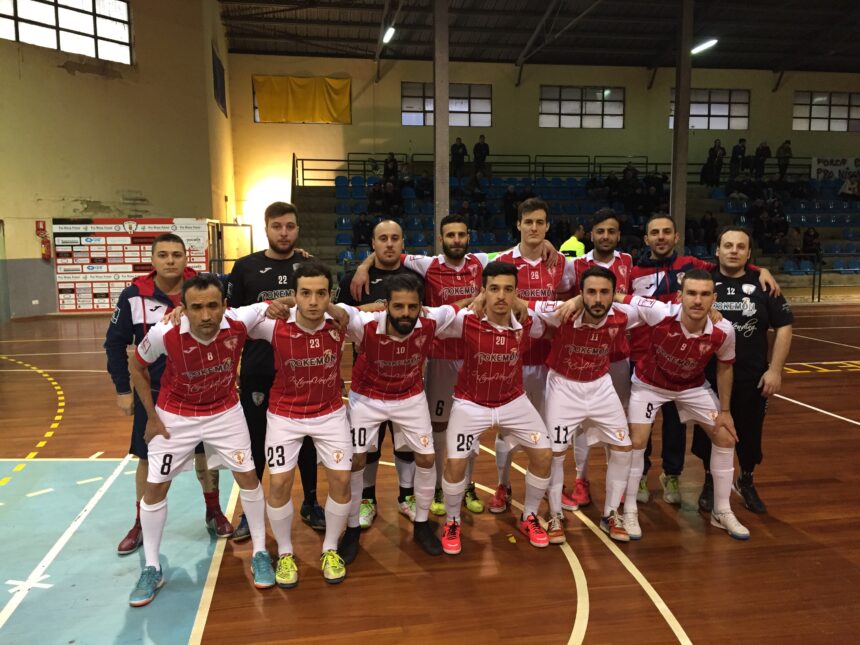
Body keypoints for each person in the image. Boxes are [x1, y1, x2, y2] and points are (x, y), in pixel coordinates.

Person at [127, 274, 276, 606]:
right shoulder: (164, 332)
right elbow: (136, 366)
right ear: (183, 308)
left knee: (249, 479)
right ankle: (151, 567)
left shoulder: (239, 320)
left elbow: (281, 304)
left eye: (213, 306)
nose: (206, 315)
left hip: (225, 413)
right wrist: (151, 416)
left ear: (225, 305)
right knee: (155, 487)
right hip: (175, 416)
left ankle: (260, 553)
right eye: (196, 308)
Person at [630, 214, 778, 507]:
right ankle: (641, 475)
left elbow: (729, 265)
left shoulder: (692, 265)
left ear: (676, 237)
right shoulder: (633, 271)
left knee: (675, 425)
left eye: (667, 232)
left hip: (682, 360)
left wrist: (760, 269)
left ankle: (672, 474)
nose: (661, 237)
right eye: (655, 233)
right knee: (640, 427)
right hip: (644, 358)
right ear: (646, 239)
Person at [105, 233, 231, 557]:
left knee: (206, 456)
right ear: (153, 260)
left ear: (187, 257)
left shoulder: (203, 288)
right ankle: (140, 522)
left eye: (177, 254)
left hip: (201, 390)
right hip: (154, 393)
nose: (171, 260)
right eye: (163, 255)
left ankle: (213, 510)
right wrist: (123, 389)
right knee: (147, 459)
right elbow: (114, 343)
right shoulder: (133, 295)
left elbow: (246, 283)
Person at [336, 273, 468, 562]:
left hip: (409, 397)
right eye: (398, 306)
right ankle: (352, 529)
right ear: (386, 306)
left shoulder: (431, 320)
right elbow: (337, 311)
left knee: (426, 458)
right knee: (355, 460)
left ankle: (421, 524)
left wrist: (483, 297)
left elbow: (459, 306)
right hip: (367, 398)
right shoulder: (366, 324)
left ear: (421, 306)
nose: (406, 313)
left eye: (412, 306)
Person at [619, 269, 749, 540]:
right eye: (691, 293)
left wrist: (725, 412)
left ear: (714, 299)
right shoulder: (659, 311)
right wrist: (578, 299)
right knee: (637, 441)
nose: (698, 301)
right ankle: (629, 509)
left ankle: (721, 511)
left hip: (692, 387)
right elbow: (621, 297)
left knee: (725, 437)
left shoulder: (724, 330)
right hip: (649, 384)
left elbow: (725, 367)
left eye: (704, 295)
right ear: (679, 296)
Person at [436, 261, 553, 554]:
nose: (501, 296)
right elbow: (429, 319)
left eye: (508, 290)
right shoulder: (466, 320)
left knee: (544, 454)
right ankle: (452, 521)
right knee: (455, 463)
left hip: (513, 400)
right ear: (483, 291)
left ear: (516, 293)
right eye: (494, 289)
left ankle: (529, 516)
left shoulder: (528, 321)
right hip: (470, 403)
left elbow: (559, 317)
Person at [250, 261, 353, 586]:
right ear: (294, 295)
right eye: (305, 293)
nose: (313, 301)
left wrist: (336, 308)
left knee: (341, 480)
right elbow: (233, 318)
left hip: (329, 413)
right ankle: (285, 553)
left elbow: (381, 312)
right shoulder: (274, 324)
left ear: (330, 295)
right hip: (285, 415)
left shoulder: (341, 322)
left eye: (321, 294)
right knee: (279, 484)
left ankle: (330, 548)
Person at [226, 201, 324, 540]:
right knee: (255, 441)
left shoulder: (310, 266)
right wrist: (232, 367)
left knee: (307, 440)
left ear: (298, 229)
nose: (284, 233)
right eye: (277, 226)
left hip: (302, 368)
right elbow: (233, 322)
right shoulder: (244, 267)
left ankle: (311, 502)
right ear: (266, 228)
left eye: (290, 226)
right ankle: (249, 513)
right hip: (259, 367)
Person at [531, 266, 637, 543]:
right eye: (590, 292)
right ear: (580, 293)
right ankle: (555, 513)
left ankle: (611, 513)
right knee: (556, 452)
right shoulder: (562, 312)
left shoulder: (625, 315)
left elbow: (669, 310)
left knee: (623, 447)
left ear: (614, 294)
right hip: (563, 386)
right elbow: (521, 305)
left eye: (604, 292)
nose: (598, 299)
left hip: (600, 385)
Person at [692, 227, 793, 515]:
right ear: (717, 250)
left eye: (740, 246)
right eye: (728, 245)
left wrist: (775, 370)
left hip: (752, 377)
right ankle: (710, 481)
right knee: (709, 433)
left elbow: (784, 326)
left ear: (749, 253)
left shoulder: (765, 285)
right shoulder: (704, 282)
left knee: (749, 434)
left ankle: (746, 480)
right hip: (708, 377)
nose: (733, 250)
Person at [335, 220, 422, 528]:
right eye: (382, 238)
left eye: (395, 238)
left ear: (403, 243)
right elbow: (338, 322)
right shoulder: (354, 279)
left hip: (407, 378)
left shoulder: (415, 277)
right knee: (368, 447)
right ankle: (367, 500)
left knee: (406, 444)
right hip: (369, 380)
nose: (389, 243)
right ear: (372, 243)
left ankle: (406, 497)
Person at [489, 198, 570, 514]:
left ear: (547, 226)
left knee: (552, 429)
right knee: (507, 429)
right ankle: (503, 485)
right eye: (528, 222)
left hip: (550, 363)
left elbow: (571, 298)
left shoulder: (560, 263)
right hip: (513, 361)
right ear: (518, 225)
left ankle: (551, 488)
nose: (534, 228)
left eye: (540, 222)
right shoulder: (503, 262)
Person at [559, 209, 634, 511]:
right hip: (583, 357)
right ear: (591, 234)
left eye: (611, 231)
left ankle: (618, 485)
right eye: (600, 231)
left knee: (617, 423)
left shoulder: (627, 261)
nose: (605, 236)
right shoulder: (575, 265)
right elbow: (563, 299)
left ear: (618, 235)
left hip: (617, 356)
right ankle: (581, 479)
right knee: (581, 423)